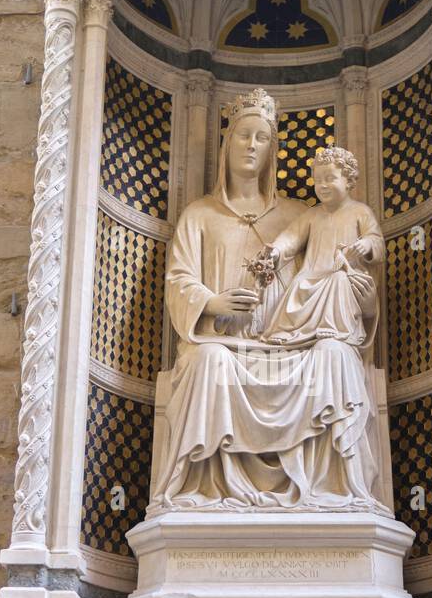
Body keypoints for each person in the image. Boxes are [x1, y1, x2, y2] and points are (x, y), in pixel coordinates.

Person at [148, 88, 388, 513]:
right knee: (209, 363)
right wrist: (212, 302)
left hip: (293, 345)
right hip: (226, 345)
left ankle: (338, 492)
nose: (252, 146)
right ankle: (198, 492)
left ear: (272, 149)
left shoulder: (302, 214)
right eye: (243, 136)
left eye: (261, 138)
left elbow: (347, 284)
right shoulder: (199, 215)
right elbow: (179, 280)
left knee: (335, 354)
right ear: (227, 144)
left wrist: (364, 303)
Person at [260, 146, 384, 348]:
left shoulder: (360, 212)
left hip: (345, 274)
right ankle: (288, 331)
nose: (322, 185)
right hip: (313, 274)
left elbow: (376, 240)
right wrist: (275, 251)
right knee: (299, 284)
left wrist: (366, 245)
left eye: (330, 178)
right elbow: (291, 238)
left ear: (349, 180)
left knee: (339, 280)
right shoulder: (312, 215)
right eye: (318, 181)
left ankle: (334, 325)